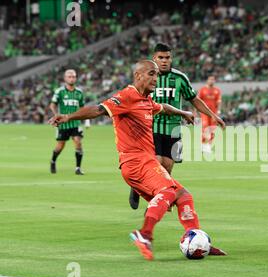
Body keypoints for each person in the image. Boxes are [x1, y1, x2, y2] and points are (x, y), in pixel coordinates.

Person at [49, 60, 227, 260]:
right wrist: (68, 117)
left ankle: (198, 239)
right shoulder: (127, 96)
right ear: (138, 75)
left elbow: (164, 107)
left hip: (142, 162)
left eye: (157, 75)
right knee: (168, 191)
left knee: (183, 196)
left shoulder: (146, 100)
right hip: (136, 162)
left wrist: (183, 112)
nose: (155, 78)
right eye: (151, 73)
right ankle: (145, 235)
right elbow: (98, 110)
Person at [128, 43, 226, 209]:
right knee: (155, 163)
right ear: (154, 59)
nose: (164, 61)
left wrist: (212, 115)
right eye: (161, 57)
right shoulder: (147, 77)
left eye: (167, 57)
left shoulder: (180, 78)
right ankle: (149, 198)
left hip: (174, 129)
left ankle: (159, 195)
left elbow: (194, 99)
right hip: (151, 128)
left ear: (171, 58)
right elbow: (134, 98)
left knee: (167, 167)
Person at [49, 69, 87, 175]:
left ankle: (78, 168)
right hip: (63, 123)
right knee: (60, 145)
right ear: (65, 78)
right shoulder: (60, 92)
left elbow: (83, 108)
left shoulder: (79, 93)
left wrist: (86, 121)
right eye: (69, 76)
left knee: (78, 142)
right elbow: (52, 104)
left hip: (75, 123)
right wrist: (56, 114)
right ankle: (53, 161)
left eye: (73, 76)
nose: (72, 78)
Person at [198, 75, 222, 153]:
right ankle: (203, 145)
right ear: (207, 80)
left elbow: (219, 102)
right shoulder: (202, 90)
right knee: (205, 128)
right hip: (204, 112)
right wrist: (196, 111)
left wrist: (218, 111)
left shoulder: (217, 90)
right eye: (210, 79)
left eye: (213, 80)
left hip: (213, 113)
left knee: (212, 129)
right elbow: (197, 101)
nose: (212, 81)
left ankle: (208, 145)